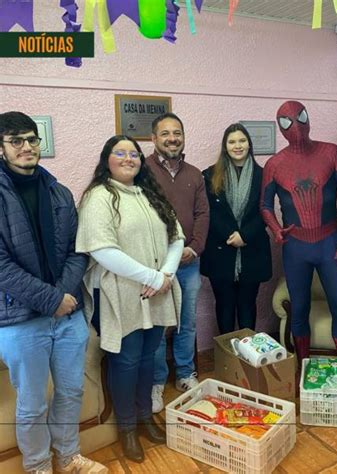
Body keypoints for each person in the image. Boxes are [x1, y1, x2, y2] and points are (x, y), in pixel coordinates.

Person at [0, 112, 107, 474]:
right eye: (17, 141)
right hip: (19, 319)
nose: (27, 147)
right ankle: (38, 466)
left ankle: (68, 456)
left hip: (68, 313)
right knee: (31, 403)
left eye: (32, 139)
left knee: (71, 391)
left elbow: (79, 250)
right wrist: (51, 299)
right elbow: (1, 267)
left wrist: (63, 297)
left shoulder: (59, 191)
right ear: (2, 148)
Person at [76, 135, 184, 463]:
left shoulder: (150, 194)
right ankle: (126, 428)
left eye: (134, 153)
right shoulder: (99, 196)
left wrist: (165, 275)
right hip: (120, 294)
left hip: (156, 292)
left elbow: (176, 237)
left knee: (149, 356)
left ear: (141, 160)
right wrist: (152, 278)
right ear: (106, 159)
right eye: (119, 153)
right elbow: (101, 249)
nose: (128, 158)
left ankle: (144, 418)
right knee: (126, 361)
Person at [261, 100, 337, 375]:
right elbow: (264, 205)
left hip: (330, 243)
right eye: (287, 122)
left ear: (308, 118)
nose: (297, 127)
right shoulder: (275, 164)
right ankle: (304, 371)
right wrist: (275, 228)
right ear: (280, 128)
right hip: (296, 247)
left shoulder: (331, 152)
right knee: (299, 309)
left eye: (300, 118)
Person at [146, 112, 209, 413]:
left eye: (178, 133)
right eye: (165, 133)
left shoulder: (195, 174)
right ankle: (157, 380)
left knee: (187, 321)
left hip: (188, 263)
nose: (172, 138)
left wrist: (194, 248)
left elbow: (202, 214)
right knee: (158, 324)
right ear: (154, 138)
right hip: (155, 266)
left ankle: (185, 373)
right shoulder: (141, 171)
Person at [201, 123, 272, 334]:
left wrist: (245, 235)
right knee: (224, 305)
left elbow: (266, 210)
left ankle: (247, 356)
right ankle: (227, 356)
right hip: (221, 251)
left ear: (249, 144)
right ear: (225, 146)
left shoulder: (265, 175)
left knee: (247, 305)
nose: (237, 146)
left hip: (253, 251)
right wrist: (231, 235)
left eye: (242, 141)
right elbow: (208, 211)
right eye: (232, 142)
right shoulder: (209, 175)